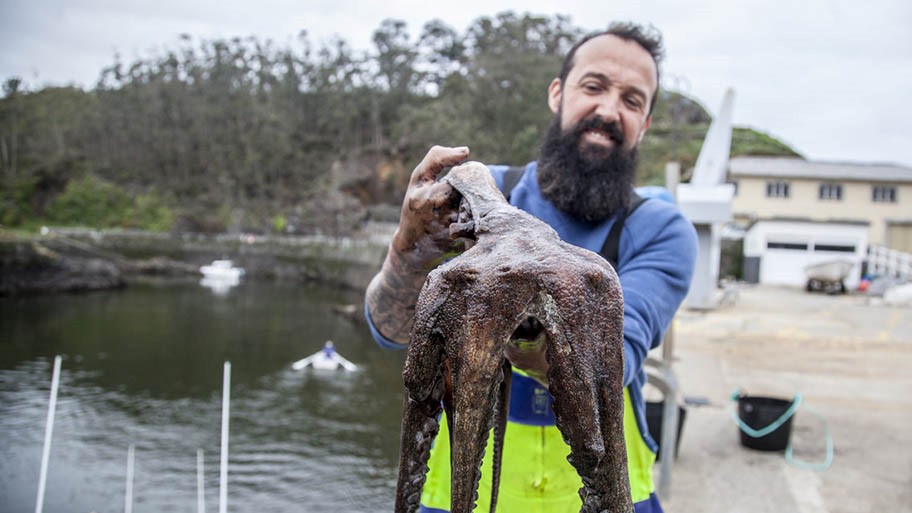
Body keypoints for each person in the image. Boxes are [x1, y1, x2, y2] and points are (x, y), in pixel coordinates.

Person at [365, 21, 697, 513]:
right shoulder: (477, 201)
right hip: (460, 495)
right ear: (557, 94)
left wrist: (523, 305)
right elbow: (391, 331)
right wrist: (410, 247)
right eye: (594, 86)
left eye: (632, 100)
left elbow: (616, 360)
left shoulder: (662, 230)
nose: (609, 110)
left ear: (644, 123)